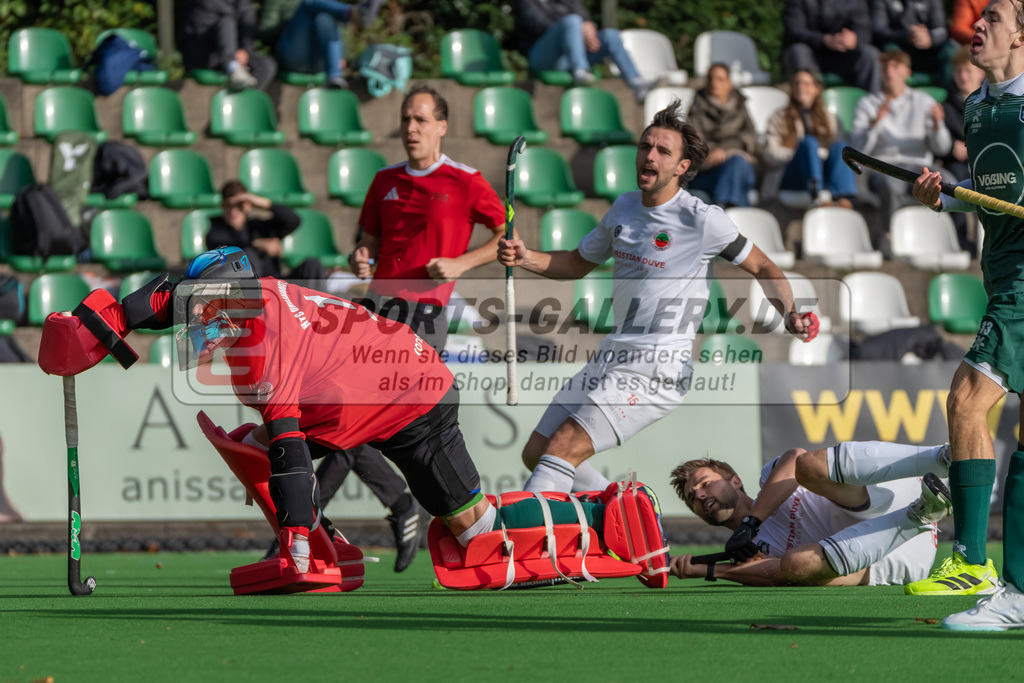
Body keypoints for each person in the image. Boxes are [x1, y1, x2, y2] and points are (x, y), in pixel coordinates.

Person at [102, 247, 666, 585]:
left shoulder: (264, 344)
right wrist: (105, 323)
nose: (197, 322)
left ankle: (602, 518)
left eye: (206, 309)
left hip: (414, 401)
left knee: (476, 537)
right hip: (372, 401)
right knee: (259, 441)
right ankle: (331, 532)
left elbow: (290, 449)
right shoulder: (255, 297)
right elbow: (175, 295)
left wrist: (295, 538)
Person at [497, 101, 817, 495]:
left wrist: (790, 313)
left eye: (663, 151)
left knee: (562, 448)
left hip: (657, 366)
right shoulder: (624, 207)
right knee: (538, 452)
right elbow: (578, 263)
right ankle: (625, 515)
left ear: (682, 167)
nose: (649, 155)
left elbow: (765, 267)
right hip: (613, 353)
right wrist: (526, 256)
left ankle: (520, 535)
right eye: (645, 146)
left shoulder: (701, 219)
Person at [911, 0, 1024, 631]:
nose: (975, 26)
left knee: (965, 400)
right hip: (1002, 275)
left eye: (993, 18)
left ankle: (974, 560)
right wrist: (944, 198)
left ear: (1021, 34)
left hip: (1023, 287)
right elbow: (994, 193)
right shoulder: (978, 107)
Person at [350, 83, 507, 354]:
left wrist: (461, 263)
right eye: (405, 119)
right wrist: (360, 257)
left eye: (421, 120)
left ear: (441, 127)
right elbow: (370, 241)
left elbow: (508, 235)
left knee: (409, 394)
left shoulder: (466, 181)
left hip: (425, 315)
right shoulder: (384, 179)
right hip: (376, 305)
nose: (411, 128)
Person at [668, 442, 951, 586]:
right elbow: (778, 574)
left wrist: (751, 523)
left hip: (892, 497)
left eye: (705, 483)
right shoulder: (747, 558)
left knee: (809, 464)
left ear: (734, 480)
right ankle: (924, 513)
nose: (701, 495)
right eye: (693, 498)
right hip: (896, 555)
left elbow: (795, 456)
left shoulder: (771, 478)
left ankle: (941, 457)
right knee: (795, 566)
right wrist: (707, 570)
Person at [850, 49, 951, 243]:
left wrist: (938, 128)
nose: (889, 71)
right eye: (885, 67)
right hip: (884, 167)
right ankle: (891, 237)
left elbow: (942, 148)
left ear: (907, 72)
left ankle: (959, 236)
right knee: (889, 185)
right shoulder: (867, 104)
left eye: (895, 66)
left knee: (950, 181)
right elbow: (858, 150)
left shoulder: (924, 102)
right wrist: (875, 124)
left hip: (919, 167)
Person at [511, 0, 654, 103]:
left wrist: (589, 29)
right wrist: (577, 29)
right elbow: (538, 24)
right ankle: (581, 71)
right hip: (542, 57)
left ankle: (637, 84)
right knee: (572, 20)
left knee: (611, 35)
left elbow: (584, 18)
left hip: (570, 56)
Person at [762, 69, 857, 208]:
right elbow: (769, 153)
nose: (801, 87)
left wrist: (819, 154)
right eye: (796, 83)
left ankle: (842, 197)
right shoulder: (779, 117)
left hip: (824, 172)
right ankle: (817, 195)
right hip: (792, 175)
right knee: (809, 143)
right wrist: (801, 153)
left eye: (806, 84)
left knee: (841, 147)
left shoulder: (830, 118)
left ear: (816, 88)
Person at [206, 180, 324, 282]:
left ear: (248, 205)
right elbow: (219, 245)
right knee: (247, 255)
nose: (233, 211)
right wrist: (257, 243)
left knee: (312, 265)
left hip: (276, 284)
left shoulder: (259, 226)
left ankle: (317, 306)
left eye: (239, 205)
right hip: (247, 289)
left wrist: (262, 203)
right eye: (228, 206)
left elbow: (293, 220)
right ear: (222, 206)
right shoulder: (216, 229)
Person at [258, 0, 383, 89]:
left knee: (323, 17)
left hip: (320, 61)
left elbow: (336, 28)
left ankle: (335, 76)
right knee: (308, 3)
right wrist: (293, 25)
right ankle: (352, 12)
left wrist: (342, 55)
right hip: (292, 56)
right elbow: (265, 34)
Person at [685, 63, 760, 208]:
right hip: (708, 170)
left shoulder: (740, 106)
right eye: (711, 78)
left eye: (720, 79)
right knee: (738, 168)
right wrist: (716, 152)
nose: (714, 83)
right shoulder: (697, 108)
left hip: (737, 163)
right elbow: (695, 142)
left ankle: (722, 210)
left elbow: (752, 137)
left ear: (729, 83)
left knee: (738, 164)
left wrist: (725, 151)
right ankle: (732, 214)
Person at [782, 0, 881, 93]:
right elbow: (794, 31)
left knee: (870, 54)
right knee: (798, 51)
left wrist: (854, 39)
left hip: (844, 56)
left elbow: (865, 30)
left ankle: (871, 105)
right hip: (812, 54)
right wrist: (824, 40)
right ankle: (805, 107)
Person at [176, 0, 277, 90]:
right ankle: (233, 68)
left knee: (267, 65)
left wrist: (245, 51)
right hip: (202, 54)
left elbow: (248, 24)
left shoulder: (243, 3)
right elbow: (224, 21)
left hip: (231, 53)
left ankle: (245, 105)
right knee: (227, 22)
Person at [871, 0, 949, 77]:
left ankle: (951, 89)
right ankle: (894, 88)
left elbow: (941, 30)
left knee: (950, 49)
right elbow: (878, 30)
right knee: (891, 50)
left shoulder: (932, 1)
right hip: (899, 47)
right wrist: (905, 35)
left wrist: (930, 39)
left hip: (926, 52)